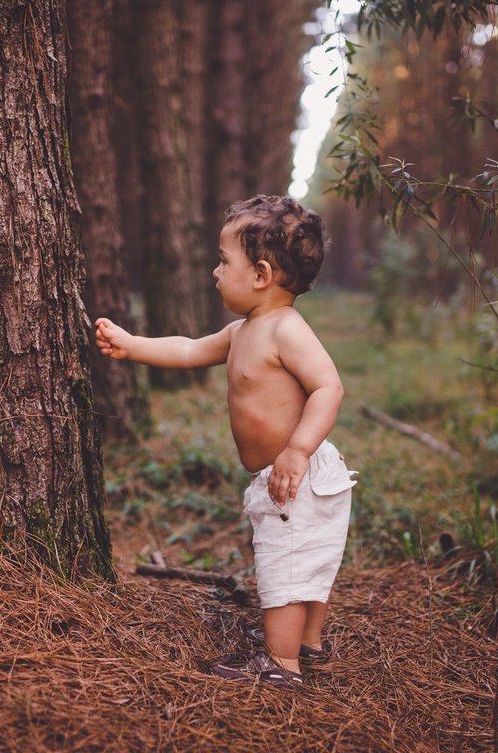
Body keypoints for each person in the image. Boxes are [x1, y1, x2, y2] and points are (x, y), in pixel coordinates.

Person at [95, 195, 356, 689]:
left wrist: (297, 450)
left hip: (297, 473)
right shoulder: (243, 331)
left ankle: (283, 664)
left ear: (260, 274)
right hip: (289, 473)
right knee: (306, 559)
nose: (215, 272)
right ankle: (307, 642)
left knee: (286, 567)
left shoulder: (286, 330)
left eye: (222, 261)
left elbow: (329, 386)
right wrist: (132, 345)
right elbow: (188, 350)